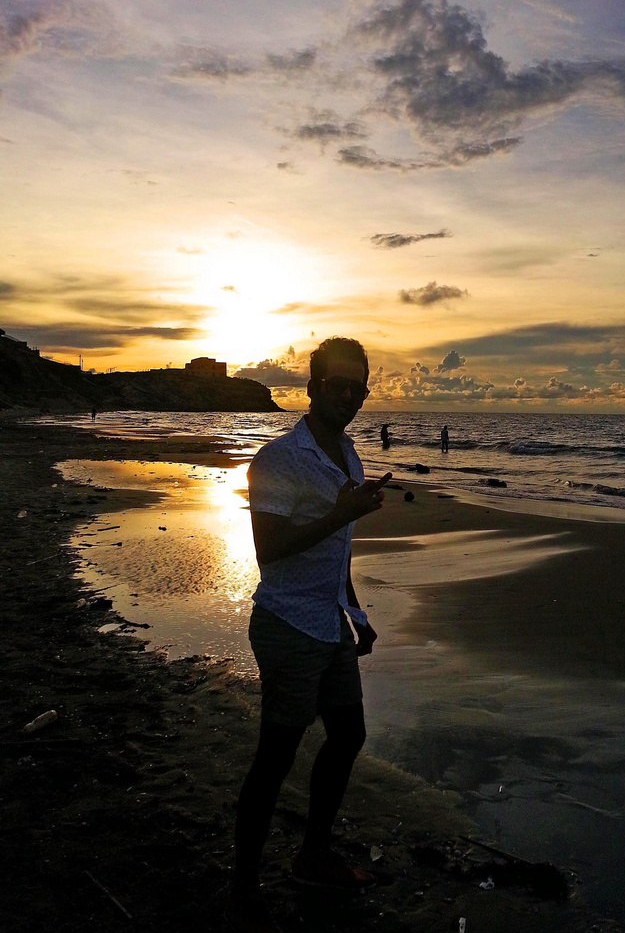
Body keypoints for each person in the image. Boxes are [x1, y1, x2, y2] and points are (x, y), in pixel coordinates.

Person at [227, 337, 390, 933]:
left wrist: (356, 613)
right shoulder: (277, 460)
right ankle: (244, 886)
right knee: (275, 757)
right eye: (336, 384)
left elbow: (337, 551)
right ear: (312, 387)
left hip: (329, 622)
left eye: (358, 386)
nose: (347, 395)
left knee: (348, 735)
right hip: (288, 624)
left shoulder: (348, 452)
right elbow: (269, 553)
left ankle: (312, 853)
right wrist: (340, 515)